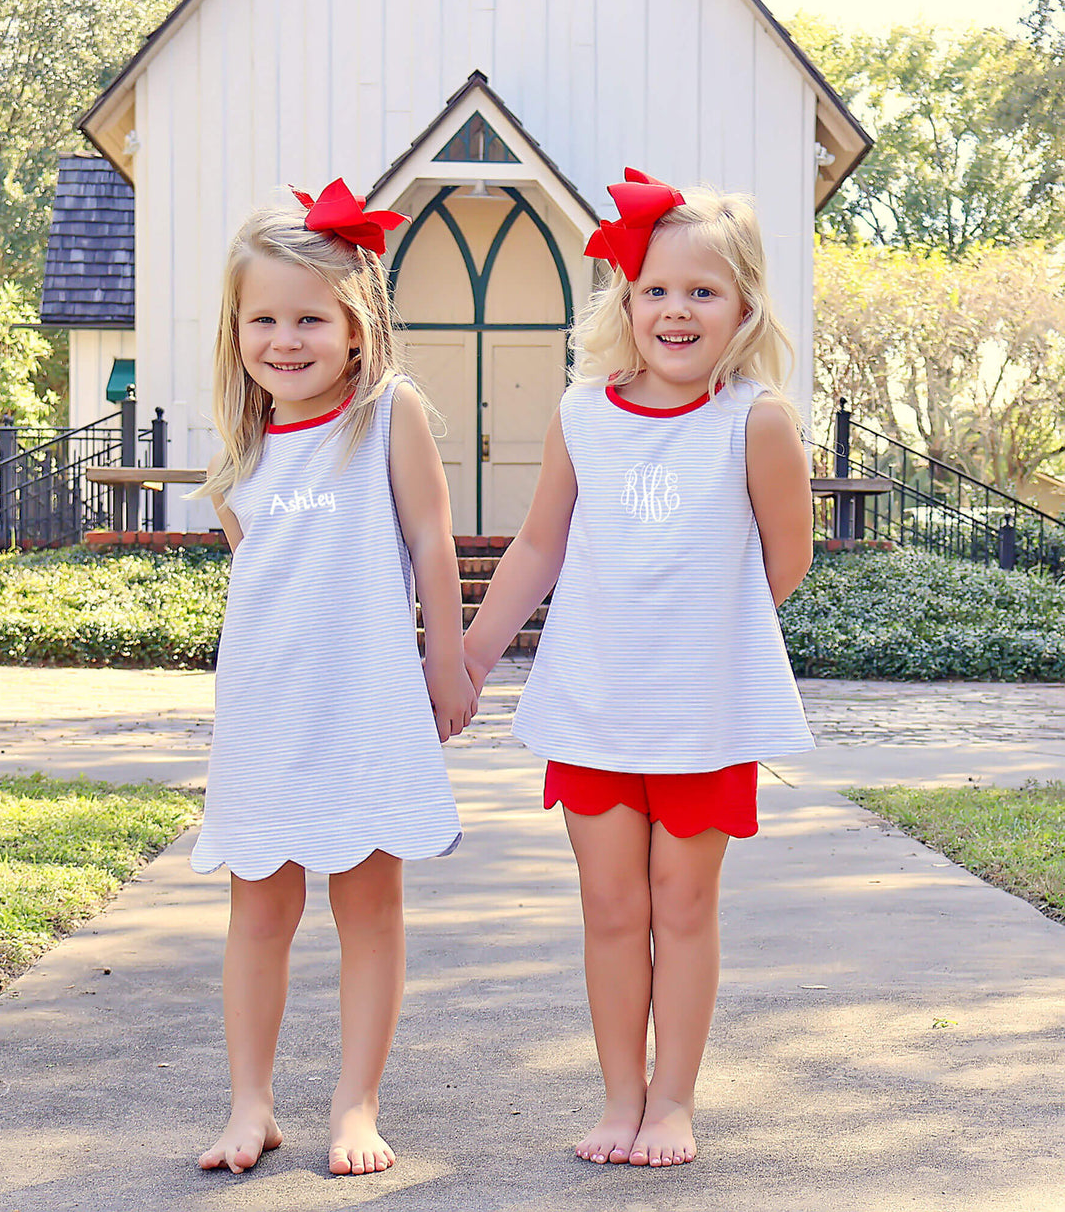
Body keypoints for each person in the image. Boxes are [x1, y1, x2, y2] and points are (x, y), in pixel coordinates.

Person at [463, 169, 815, 1169]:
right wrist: (474, 652)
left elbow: (779, 563)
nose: (674, 309)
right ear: (625, 298)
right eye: (655, 288)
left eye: (700, 291)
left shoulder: (754, 421)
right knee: (612, 908)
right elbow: (537, 545)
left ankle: (671, 1102)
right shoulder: (584, 411)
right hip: (592, 706)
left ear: (741, 306)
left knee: (682, 904)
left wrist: (696, 636)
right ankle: (618, 1095)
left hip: (701, 713)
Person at [188, 179, 476, 1177]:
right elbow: (259, 587)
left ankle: (355, 1102)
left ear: (357, 328)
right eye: (262, 318)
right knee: (258, 909)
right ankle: (249, 1103)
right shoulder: (240, 451)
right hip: (267, 714)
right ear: (236, 331)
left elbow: (432, 542)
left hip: (366, 705)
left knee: (368, 906)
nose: (285, 337)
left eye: (309, 316)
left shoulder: (386, 416)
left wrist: (445, 657)